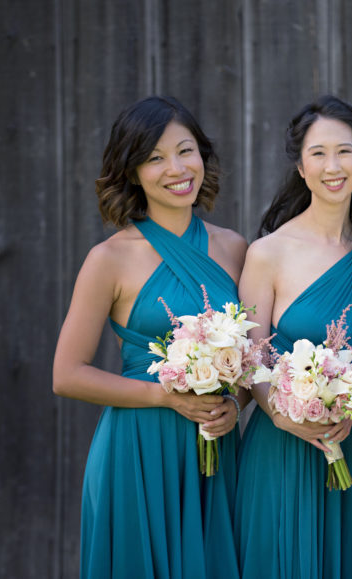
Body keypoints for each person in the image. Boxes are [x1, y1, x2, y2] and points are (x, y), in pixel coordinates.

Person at [53, 96, 247, 578]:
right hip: (139, 450)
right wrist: (164, 397)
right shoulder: (109, 259)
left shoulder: (235, 248)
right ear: (132, 171)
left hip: (216, 447)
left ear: (203, 156)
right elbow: (66, 375)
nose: (176, 168)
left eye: (185, 151)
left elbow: (252, 355)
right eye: (155, 158)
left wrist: (236, 403)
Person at [234, 95, 352, 579]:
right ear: (301, 168)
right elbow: (250, 361)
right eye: (318, 153)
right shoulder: (268, 253)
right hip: (280, 446)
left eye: (344, 152)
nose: (332, 166)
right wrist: (282, 416)